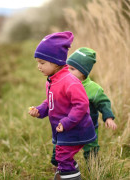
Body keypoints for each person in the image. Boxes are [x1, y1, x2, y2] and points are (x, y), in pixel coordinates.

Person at [28, 32, 97, 180]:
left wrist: (67, 122)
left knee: (63, 157)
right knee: (63, 158)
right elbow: (51, 101)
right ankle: (67, 174)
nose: (38, 66)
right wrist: (40, 110)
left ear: (56, 61)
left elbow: (82, 104)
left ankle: (69, 175)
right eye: (37, 62)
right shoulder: (52, 80)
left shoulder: (69, 81)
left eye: (42, 62)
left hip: (74, 128)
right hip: (63, 129)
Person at [66, 47, 117, 161]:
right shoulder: (65, 85)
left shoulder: (94, 89)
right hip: (69, 126)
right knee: (64, 148)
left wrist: (108, 117)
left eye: (72, 69)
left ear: (84, 72)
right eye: (67, 68)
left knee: (91, 150)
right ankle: (62, 168)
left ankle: (94, 170)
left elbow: (103, 103)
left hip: (89, 127)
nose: (68, 72)